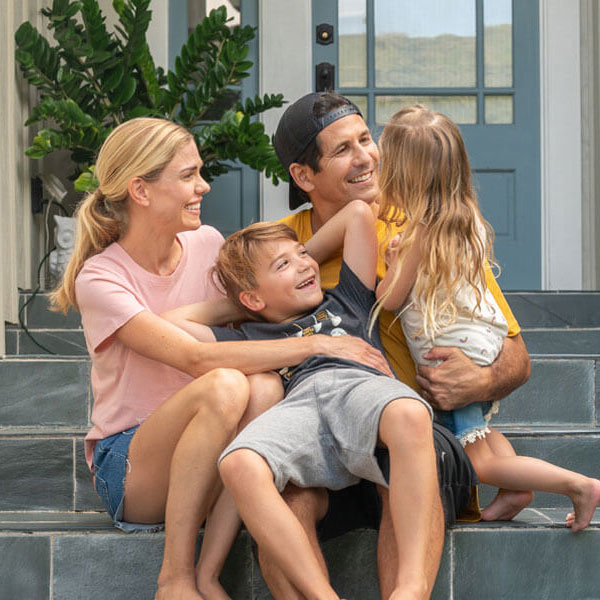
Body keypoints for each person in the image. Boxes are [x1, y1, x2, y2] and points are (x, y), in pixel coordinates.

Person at [50, 117, 395, 600]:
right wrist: (316, 342)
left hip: (213, 457)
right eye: (189, 175)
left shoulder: (207, 243)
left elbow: (264, 286)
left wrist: (291, 266)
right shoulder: (101, 278)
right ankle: (174, 578)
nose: (203, 186)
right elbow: (194, 358)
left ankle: (209, 575)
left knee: (264, 387)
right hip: (133, 466)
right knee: (227, 383)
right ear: (141, 191)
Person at [270, 92, 531, 598]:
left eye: (367, 139)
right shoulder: (281, 248)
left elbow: (516, 355)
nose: (367, 156)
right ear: (304, 176)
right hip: (324, 431)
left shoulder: (423, 226)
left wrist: (479, 379)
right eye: (345, 149)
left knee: (409, 459)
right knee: (289, 493)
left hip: (418, 429)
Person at [163, 200, 442, 599]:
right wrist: (246, 305)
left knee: (411, 412)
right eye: (284, 265)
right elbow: (173, 324)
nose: (305, 266)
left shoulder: (348, 300)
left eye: (303, 255)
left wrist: (289, 266)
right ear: (253, 300)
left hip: (359, 387)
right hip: (301, 406)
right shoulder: (251, 334)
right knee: (240, 463)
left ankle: (411, 587)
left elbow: (358, 215)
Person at [373, 104, 600, 532]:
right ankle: (516, 492)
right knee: (479, 434)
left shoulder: (416, 237)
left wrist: (389, 259)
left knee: (475, 461)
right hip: (482, 345)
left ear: (402, 176)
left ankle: (577, 485)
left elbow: (389, 300)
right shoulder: (466, 220)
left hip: (452, 356)